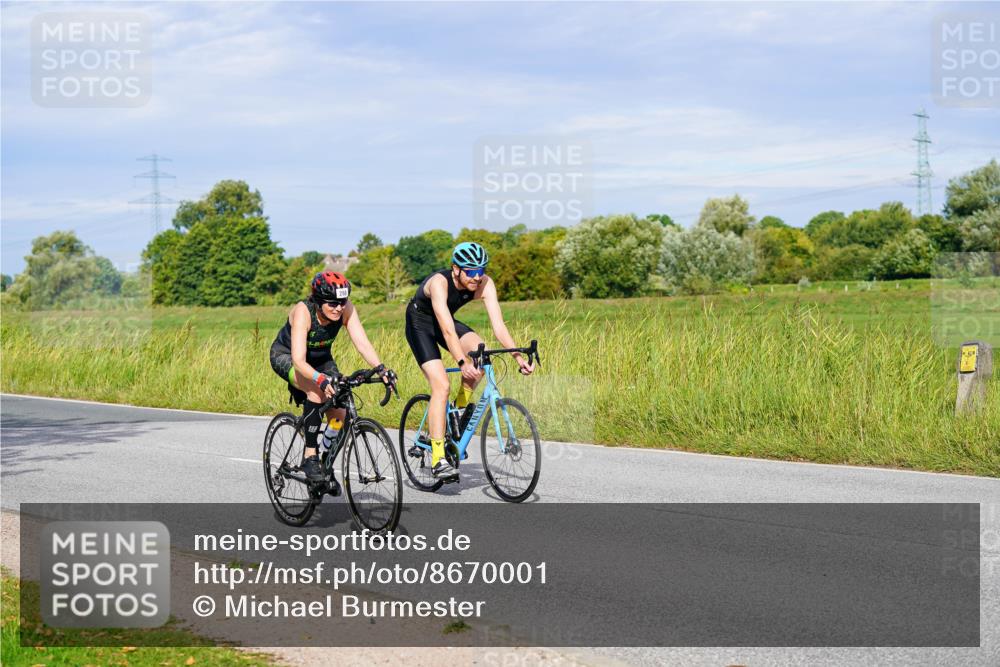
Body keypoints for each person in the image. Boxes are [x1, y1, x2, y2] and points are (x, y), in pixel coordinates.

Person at [404, 241, 534, 479]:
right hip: (420, 324)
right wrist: (462, 363)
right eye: (471, 271)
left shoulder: (485, 283)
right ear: (456, 269)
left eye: (481, 270)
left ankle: (459, 411)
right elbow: (447, 330)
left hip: (446, 323)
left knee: (481, 354)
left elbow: (499, 326)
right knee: (441, 385)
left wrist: (517, 356)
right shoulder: (439, 283)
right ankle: (437, 458)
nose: (477, 277)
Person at [269, 271, 393, 486]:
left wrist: (380, 369)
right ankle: (310, 456)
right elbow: (299, 360)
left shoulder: (346, 308)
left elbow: (361, 342)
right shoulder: (303, 312)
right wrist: (321, 380)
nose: (339, 308)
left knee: (340, 412)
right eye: (332, 304)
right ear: (318, 301)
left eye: (342, 302)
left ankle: (325, 466)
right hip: (287, 356)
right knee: (317, 390)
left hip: (321, 359)